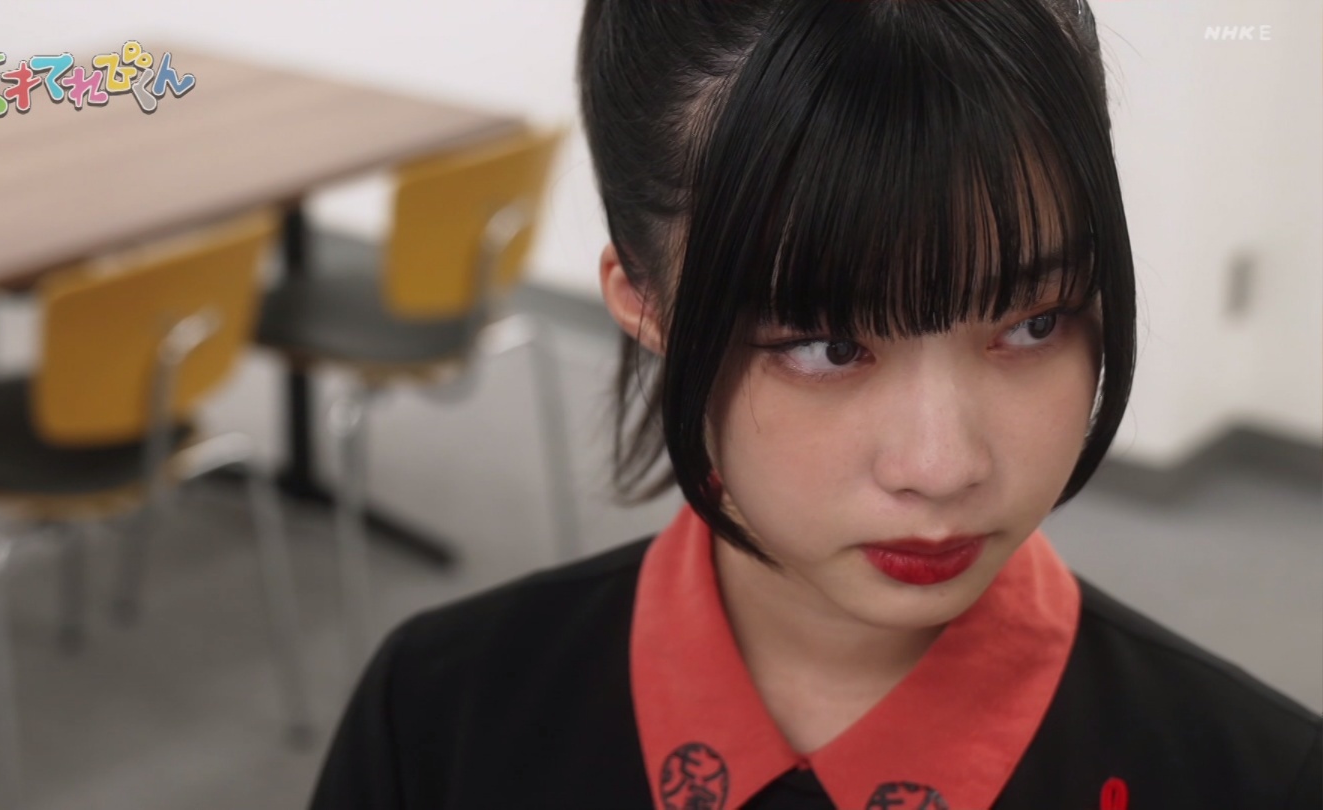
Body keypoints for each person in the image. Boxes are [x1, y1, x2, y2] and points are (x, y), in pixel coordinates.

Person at [309, 1, 1323, 807]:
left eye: (1034, 323)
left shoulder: (1259, 778)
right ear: (646, 304)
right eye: (829, 346)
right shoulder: (438, 720)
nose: (942, 466)